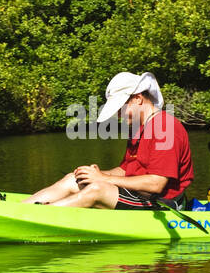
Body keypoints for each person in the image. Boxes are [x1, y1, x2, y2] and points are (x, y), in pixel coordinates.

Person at [24, 71, 194, 209]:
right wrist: (97, 174)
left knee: (98, 189)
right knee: (74, 179)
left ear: (137, 99)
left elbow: (156, 184)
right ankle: (22, 209)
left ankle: (42, 214)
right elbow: (126, 169)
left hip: (163, 203)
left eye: (121, 108)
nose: (118, 115)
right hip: (140, 195)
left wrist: (103, 179)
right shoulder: (139, 128)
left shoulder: (165, 126)